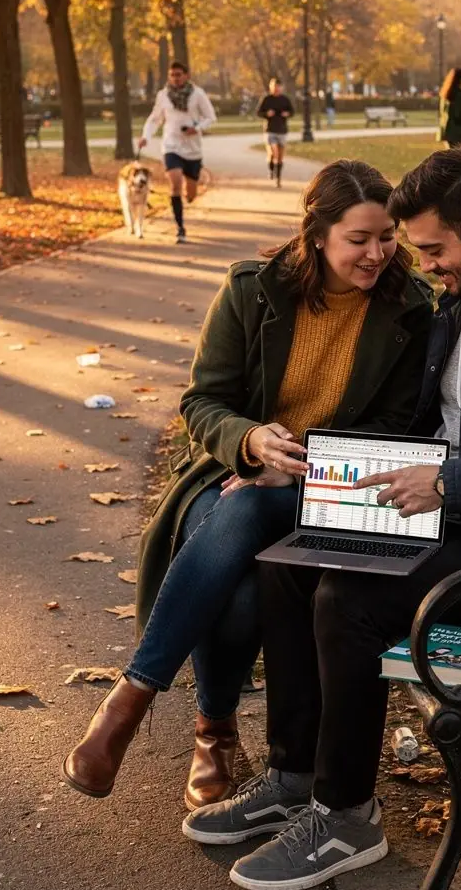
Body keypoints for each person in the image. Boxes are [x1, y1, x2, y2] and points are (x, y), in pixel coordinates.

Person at [185, 149, 461, 890]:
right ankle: (296, 777)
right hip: (457, 518)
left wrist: (449, 481)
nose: (424, 266)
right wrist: (338, 474)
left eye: (433, 249)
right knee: (290, 563)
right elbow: (433, 424)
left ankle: (347, 816)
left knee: (348, 601)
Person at [62, 161, 434, 812]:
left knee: (255, 501)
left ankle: (133, 701)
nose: (378, 253)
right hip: (234, 468)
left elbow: (394, 426)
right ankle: (215, 730)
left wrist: (293, 456)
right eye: (359, 239)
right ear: (317, 234)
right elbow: (204, 400)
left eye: (387, 237)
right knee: (234, 583)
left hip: (339, 482)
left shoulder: (410, 309)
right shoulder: (251, 290)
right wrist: (251, 440)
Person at [139, 61, 215, 243]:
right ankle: (180, 228)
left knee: (190, 194)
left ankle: (192, 188)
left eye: (179, 74)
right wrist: (146, 136)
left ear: (186, 75)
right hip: (171, 146)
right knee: (175, 183)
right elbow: (154, 119)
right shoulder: (163, 95)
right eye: (172, 75)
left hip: (193, 149)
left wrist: (196, 127)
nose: (175, 78)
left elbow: (210, 117)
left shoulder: (197, 94)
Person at [257, 77, 294, 186]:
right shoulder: (266, 99)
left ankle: (278, 178)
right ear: (271, 87)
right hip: (270, 130)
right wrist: (267, 114)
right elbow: (259, 112)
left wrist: (287, 114)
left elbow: (292, 112)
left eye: (278, 87)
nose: (276, 89)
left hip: (282, 130)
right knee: (274, 153)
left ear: (281, 88)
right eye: (274, 87)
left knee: (280, 156)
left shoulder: (285, 99)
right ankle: (272, 169)